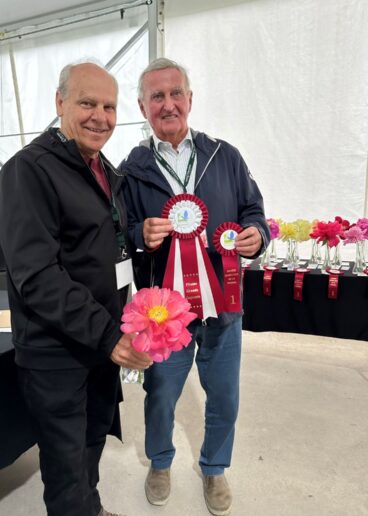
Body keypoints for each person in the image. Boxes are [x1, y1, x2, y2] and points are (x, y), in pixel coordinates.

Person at [0, 61, 152, 516]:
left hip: (98, 344)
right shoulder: (28, 172)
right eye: (87, 103)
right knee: (65, 468)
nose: (100, 116)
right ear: (60, 102)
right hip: (57, 353)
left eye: (109, 106)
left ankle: (92, 509)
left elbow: (104, 249)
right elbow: (38, 277)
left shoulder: (101, 170)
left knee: (90, 447)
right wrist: (110, 335)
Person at [120, 57, 270, 516]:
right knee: (160, 394)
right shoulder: (131, 169)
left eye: (175, 93)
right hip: (163, 315)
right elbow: (119, 228)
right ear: (143, 107)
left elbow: (254, 210)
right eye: (157, 97)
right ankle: (160, 462)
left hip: (224, 304)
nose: (168, 104)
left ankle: (214, 467)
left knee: (224, 394)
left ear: (190, 98)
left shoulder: (226, 155)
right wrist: (137, 235)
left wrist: (256, 235)